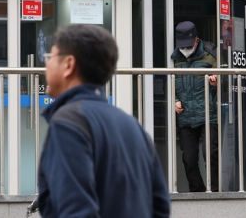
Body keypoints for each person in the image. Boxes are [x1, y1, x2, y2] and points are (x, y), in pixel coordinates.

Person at [37, 24, 170, 217]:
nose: (46, 65)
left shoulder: (68, 124)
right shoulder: (131, 125)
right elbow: (160, 205)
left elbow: (77, 211)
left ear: (68, 65)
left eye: (50, 57)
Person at [171, 21, 219, 192]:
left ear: (197, 40)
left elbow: (226, 82)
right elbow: (168, 84)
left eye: (188, 45)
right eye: (182, 46)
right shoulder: (173, 59)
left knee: (211, 154)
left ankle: (214, 192)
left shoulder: (211, 55)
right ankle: (197, 192)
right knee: (189, 159)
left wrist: (216, 83)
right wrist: (174, 100)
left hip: (208, 113)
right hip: (185, 116)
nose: (185, 49)